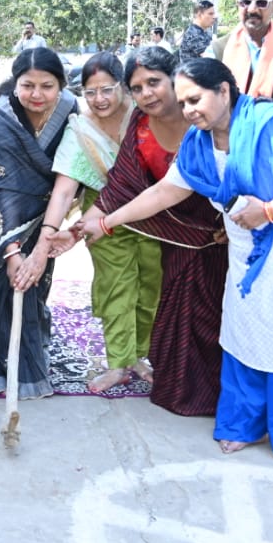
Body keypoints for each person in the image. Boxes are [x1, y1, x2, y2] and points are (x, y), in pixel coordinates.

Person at [79, 57, 273, 473]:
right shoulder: (199, 143)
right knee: (245, 328)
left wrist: (268, 210)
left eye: (196, 98)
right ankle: (245, 423)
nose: (189, 109)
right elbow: (164, 192)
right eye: (184, 101)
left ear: (224, 91)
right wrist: (106, 221)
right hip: (247, 246)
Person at [71, 47, 226, 415]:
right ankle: (189, 393)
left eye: (154, 82)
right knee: (178, 314)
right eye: (138, 87)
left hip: (223, 234)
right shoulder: (140, 125)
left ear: (176, 79)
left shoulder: (203, 119)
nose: (147, 94)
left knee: (215, 318)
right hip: (172, 233)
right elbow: (123, 183)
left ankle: (224, 396)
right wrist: (89, 223)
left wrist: (230, 220)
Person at [0, 48, 78, 398]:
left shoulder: (72, 114)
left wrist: (39, 246)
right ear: (15, 84)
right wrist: (10, 251)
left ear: (61, 86)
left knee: (31, 286)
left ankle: (24, 352)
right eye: (28, 85)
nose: (37, 95)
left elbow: (69, 179)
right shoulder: (2, 117)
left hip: (43, 216)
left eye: (47, 86)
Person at [36, 52, 162, 393]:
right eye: (90, 92)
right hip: (101, 216)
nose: (99, 100)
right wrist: (50, 232)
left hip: (152, 211)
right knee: (117, 284)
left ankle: (139, 356)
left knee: (152, 284)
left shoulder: (143, 117)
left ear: (123, 87)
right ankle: (119, 363)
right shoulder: (81, 129)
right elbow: (64, 191)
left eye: (106, 89)